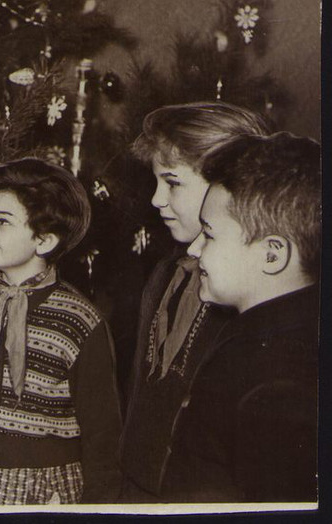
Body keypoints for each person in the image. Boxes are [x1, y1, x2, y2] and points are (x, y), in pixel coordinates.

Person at [0, 158, 122, 505]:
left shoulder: (79, 320)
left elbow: (102, 434)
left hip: (42, 491)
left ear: (43, 240)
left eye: (3, 221)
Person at [118, 102, 272, 501]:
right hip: (136, 489)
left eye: (172, 183)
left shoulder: (246, 292)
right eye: (156, 182)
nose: (156, 199)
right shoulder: (165, 272)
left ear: (226, 184)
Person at [168, 132, 319, 501]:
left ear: (272, 255)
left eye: (209, 234)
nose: (194, 249)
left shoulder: (274, 381)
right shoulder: (267, 337)